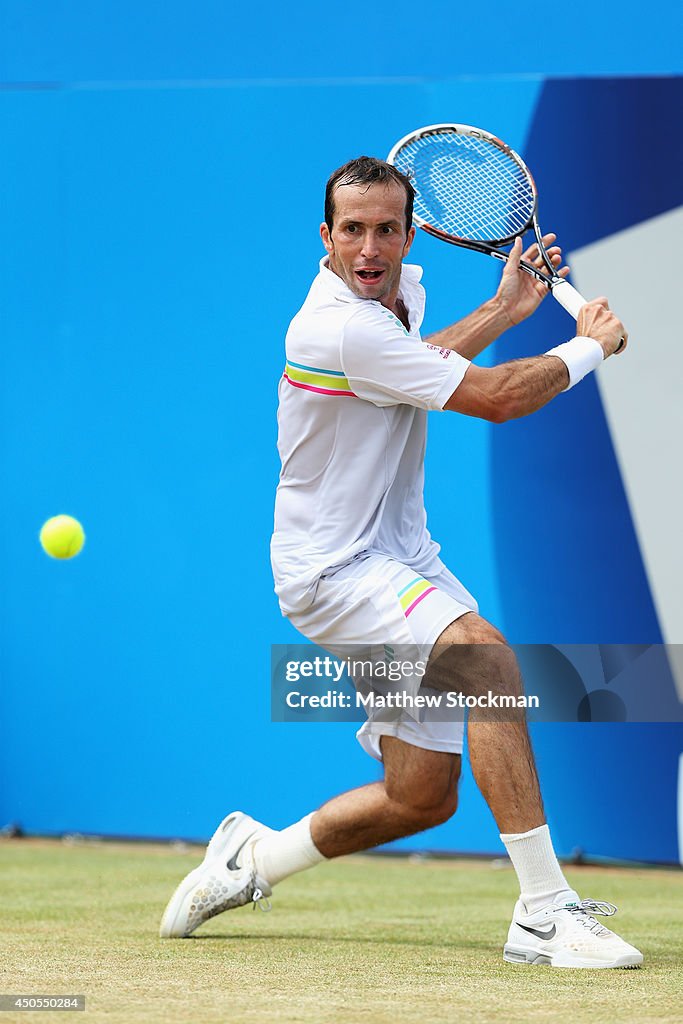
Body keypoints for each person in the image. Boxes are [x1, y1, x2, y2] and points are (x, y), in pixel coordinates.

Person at [160, 157, 642, 969]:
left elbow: (413, 374)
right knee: (488, 661)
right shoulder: (337, 324)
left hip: (395, 557)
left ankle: (250, 860)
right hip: (334, 572)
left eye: (386, 227)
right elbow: (490, 400)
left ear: (410, 232)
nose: (369, 245)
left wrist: (501, 307)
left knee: (418, 798)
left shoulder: (392, 304)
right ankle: (545, 913)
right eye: (352, 229)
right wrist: (586, 347)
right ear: (325, 237)